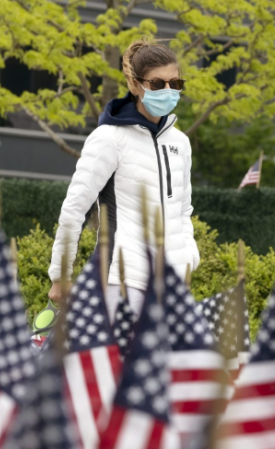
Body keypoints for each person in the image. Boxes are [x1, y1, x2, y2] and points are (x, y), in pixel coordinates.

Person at [47, 37, 199, 317]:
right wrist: (60, 275)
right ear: (134, 84)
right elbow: (75, 208)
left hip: (172, 289)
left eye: (175, 84)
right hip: (122, 282)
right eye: (157, 83)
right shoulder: (109, 138)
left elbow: (183, 210)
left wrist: (189, 258)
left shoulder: (180, 142)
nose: (168, 90)